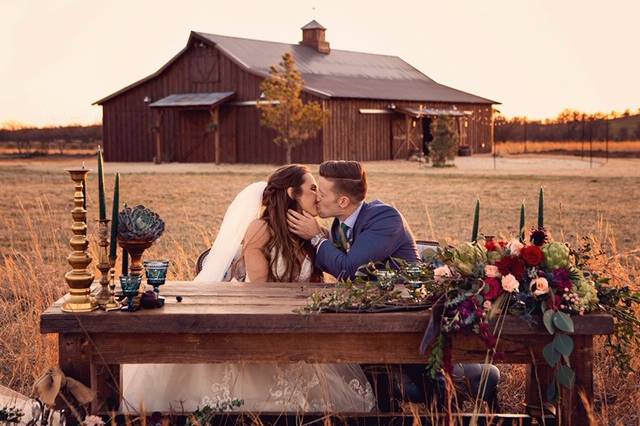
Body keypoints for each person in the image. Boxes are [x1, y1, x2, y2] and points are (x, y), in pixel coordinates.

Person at [121, 164, 375, 414]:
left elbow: (333, 273)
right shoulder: (261, 229)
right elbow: (259, 289)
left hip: (298, 319)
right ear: (291, 193)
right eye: (311, 189)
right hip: (261, 314)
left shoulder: (313, 233)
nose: (317, 195)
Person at [287, 160, 500, 411]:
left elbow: (349, 269)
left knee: (398, 367)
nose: (317, 199)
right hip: (374, 319)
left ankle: (443, 410)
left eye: (321, 194)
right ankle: (387, 412)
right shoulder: (338, 226)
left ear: (342, 201)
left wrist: (316, 237)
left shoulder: (384, 217)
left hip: (411, 322)